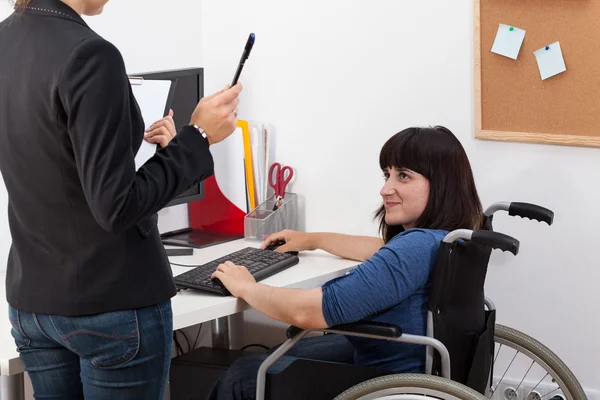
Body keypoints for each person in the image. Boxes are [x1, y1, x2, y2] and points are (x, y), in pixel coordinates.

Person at [0, 0, 242, 398]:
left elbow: (57, 167)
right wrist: (197, 138)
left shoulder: (7, 40)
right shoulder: (90, 54)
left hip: (33, 303)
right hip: (109, 303)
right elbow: (115, 207)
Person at [207, 125, 484, 399]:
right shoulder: (449, 238)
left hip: (389, 382)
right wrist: (313, 239)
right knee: (279, 354)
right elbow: (385, 251)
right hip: (417, 360)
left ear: (441, 185)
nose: (386, 189)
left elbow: (307, 312)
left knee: (243, 375)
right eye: (387, 175)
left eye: (403, 176)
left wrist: (246, 286)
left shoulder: (415, 247)